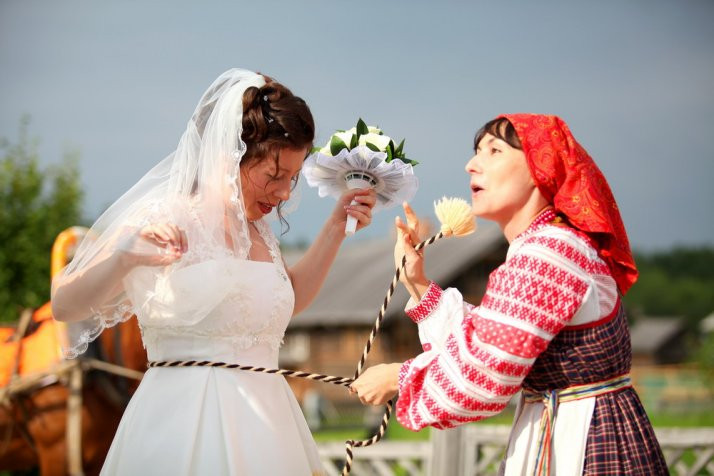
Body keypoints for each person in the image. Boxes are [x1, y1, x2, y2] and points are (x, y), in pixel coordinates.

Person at [51, 68, 376, 475]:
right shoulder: (161, 217)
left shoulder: (260, 232)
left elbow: (286, 299)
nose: (283, 193)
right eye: (274, 176)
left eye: (292, 179)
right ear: (229, 155)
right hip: (182, 428)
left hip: (269, 429)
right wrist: (123, 257)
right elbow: (64, 305)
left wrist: (334, 230)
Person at [350, 114, 668, 475]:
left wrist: (398, 376)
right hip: (569, 428)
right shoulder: (544, 246)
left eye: (494, 151)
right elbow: (489, 337)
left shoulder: (548, 253)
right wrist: (417, 281)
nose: (472, 165)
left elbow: (485, 365)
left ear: (538, 170)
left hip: (584, 445)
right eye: (476, 152)